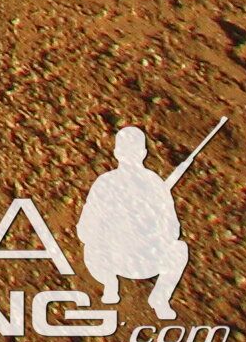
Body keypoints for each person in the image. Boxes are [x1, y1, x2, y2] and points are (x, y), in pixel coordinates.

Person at [78, 126, 193, 319]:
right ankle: (159, 297)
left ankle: (110, 285)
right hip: (147, 260)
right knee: (179, 249)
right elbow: (173, 230)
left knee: (91, 247)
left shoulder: (105, 182)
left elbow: (85, 229)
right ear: (143, 153)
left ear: (117, 153)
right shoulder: (154, 183)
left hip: (114, 260)